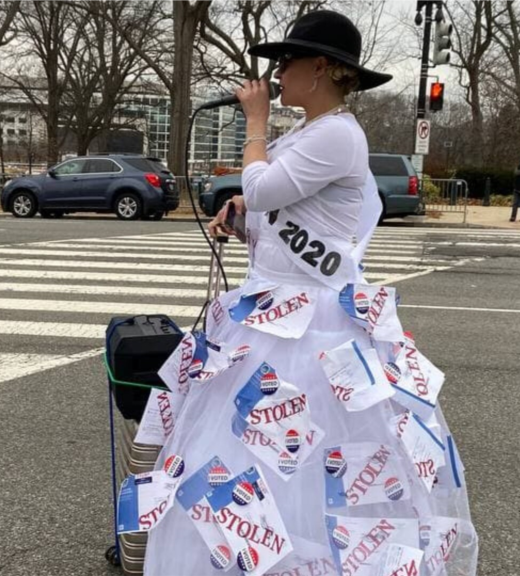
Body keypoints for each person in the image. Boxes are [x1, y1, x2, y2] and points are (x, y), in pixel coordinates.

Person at [142, 10, 477, 576]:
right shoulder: (308, 132)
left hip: (312, 327)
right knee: (241, 458)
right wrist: (244, 219)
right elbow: (288, 216)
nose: (276, 74)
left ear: (321, 68)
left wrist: (254, 123)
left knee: (304, 460)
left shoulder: (339, 135)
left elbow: (265, 186)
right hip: (270, 310)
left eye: (286, 62)